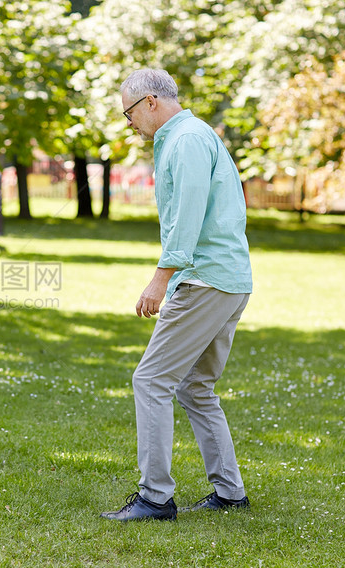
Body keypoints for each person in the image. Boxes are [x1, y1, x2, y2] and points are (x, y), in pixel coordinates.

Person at [100, 69, 253, 522]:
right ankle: (229, 492)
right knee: (197, 387)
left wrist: (160, 279)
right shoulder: (188, 134)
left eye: (128, 113)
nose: (128, 123)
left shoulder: (185, 139)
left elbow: (187, 215)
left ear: (149, 102)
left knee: (151, 381)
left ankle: (155, 498)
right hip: (229, 279)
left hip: (204, 279)